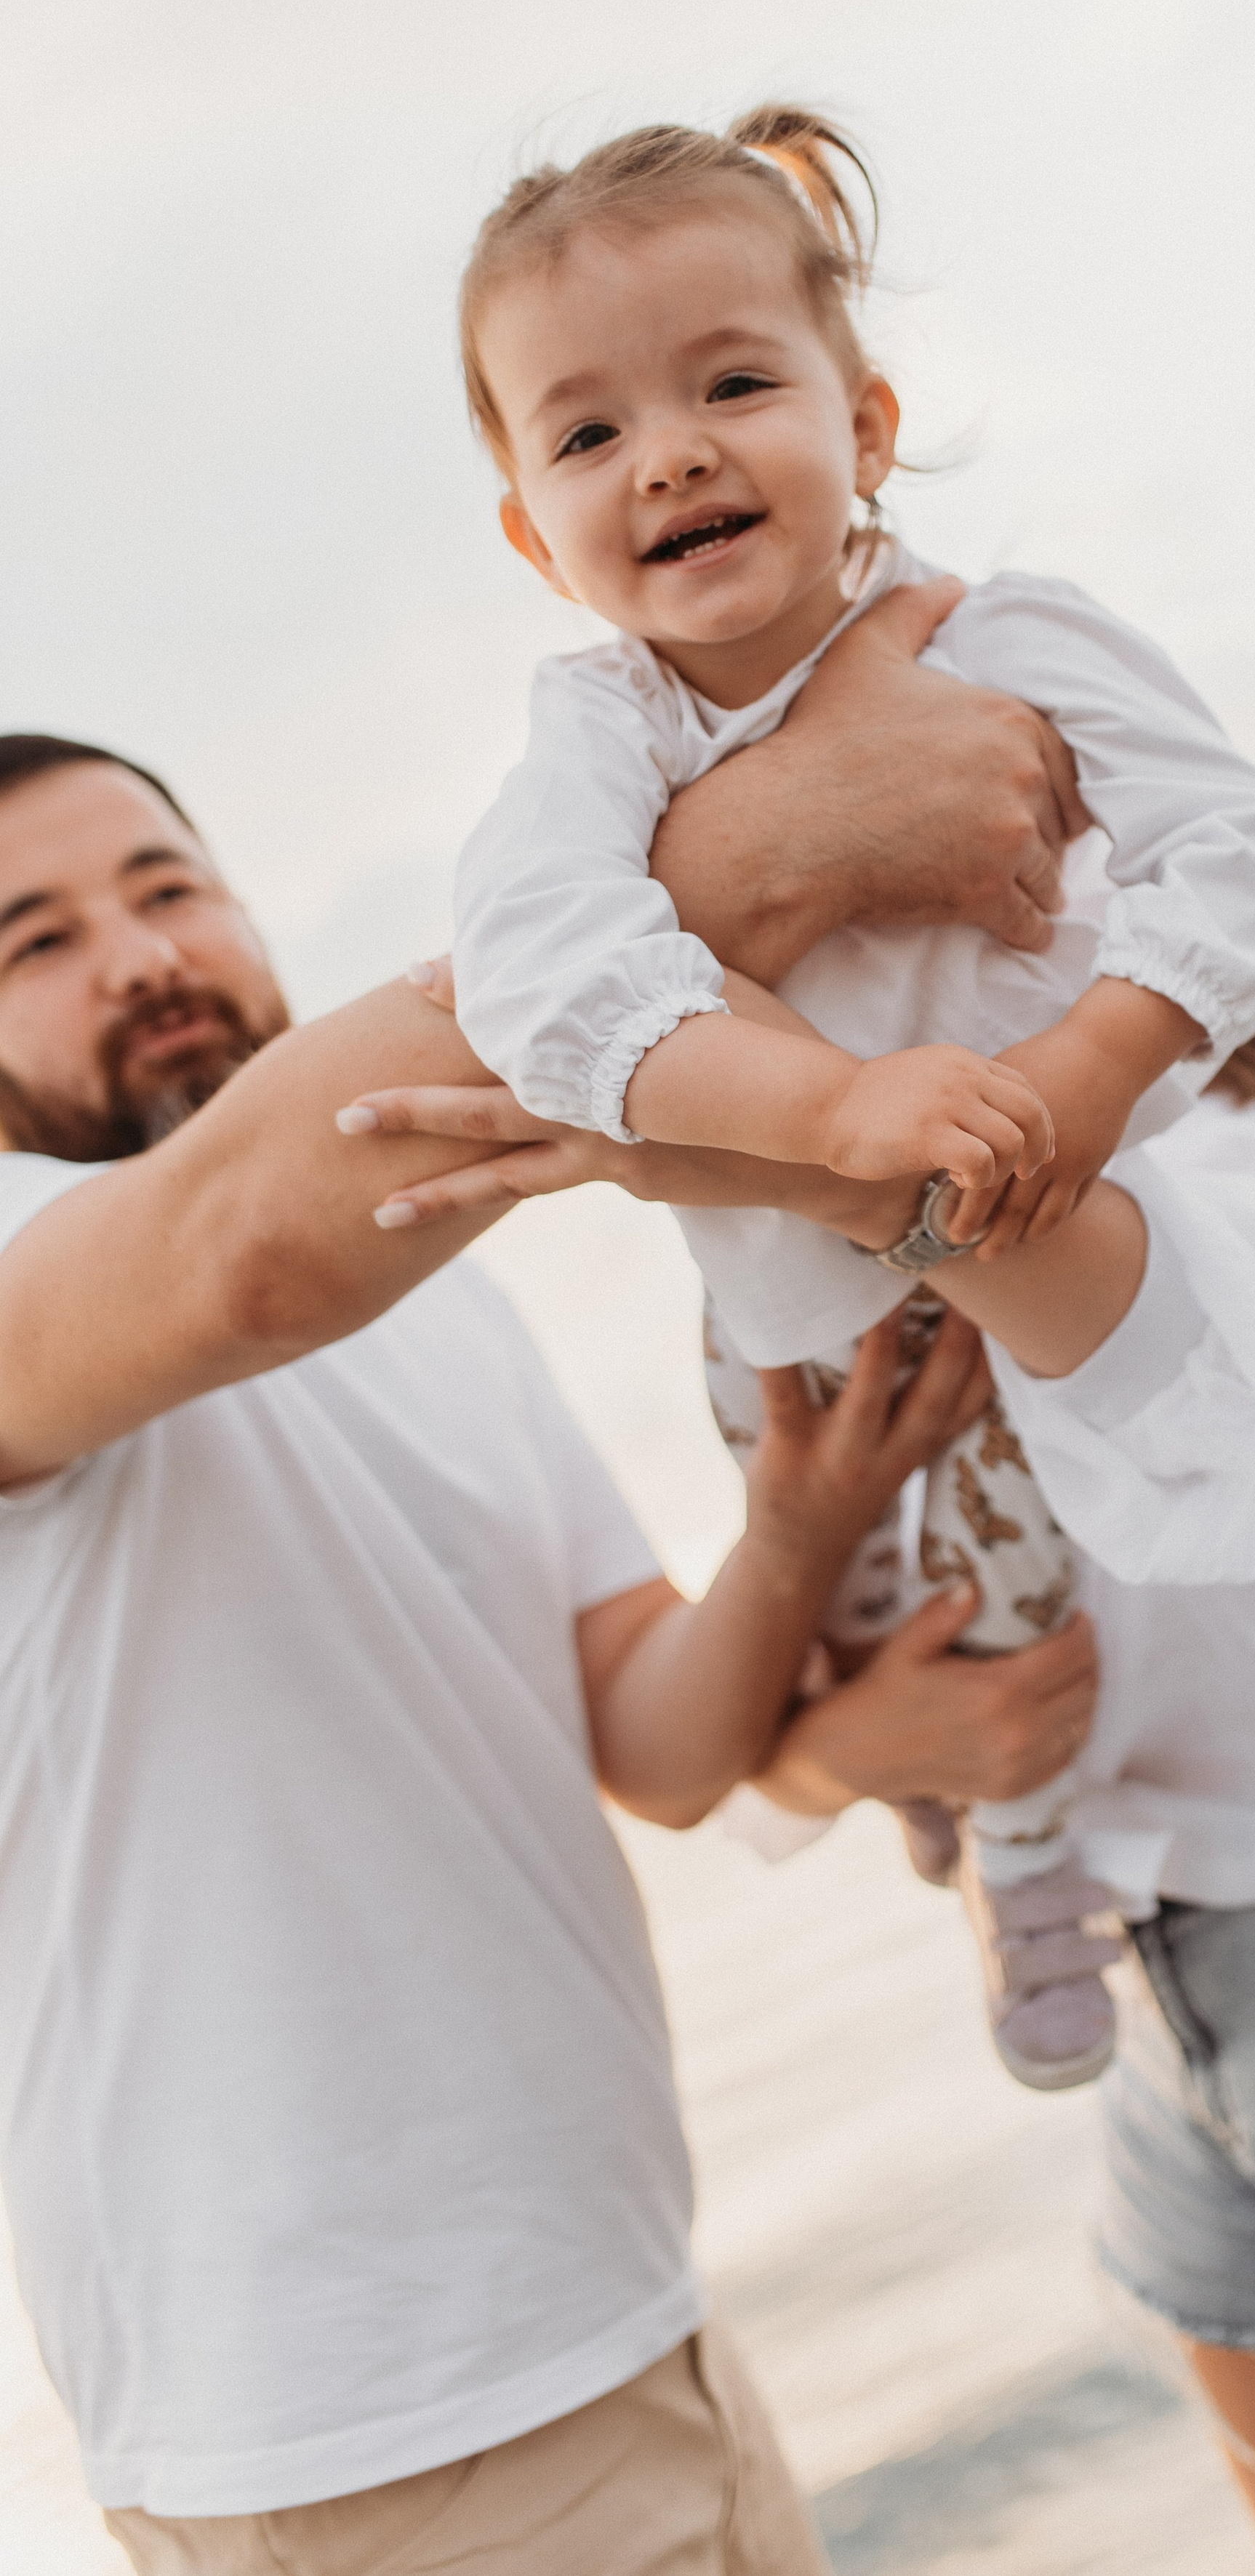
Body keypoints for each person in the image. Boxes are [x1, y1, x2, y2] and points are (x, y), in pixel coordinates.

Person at [361, 938, 1255, 2576]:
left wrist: (776, 1139)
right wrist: (857, 1730)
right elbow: (771, 1744)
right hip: (1165, 1980)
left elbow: (1154, 1333)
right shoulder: (820, 1273)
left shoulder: (1182, 1124)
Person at [0, 650, 1102, 2575]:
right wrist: (772, 845)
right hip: (361, 2434)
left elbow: (653, 1744)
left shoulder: (436, 1290)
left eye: (167, 885)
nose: (139, 955)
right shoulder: (52, 1274)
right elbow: (240, 1243)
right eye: (35, 937)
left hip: (633, 2322)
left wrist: (793, 1526)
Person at [443, 102, 1255, 2084]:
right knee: (837, 1607)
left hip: (1025, 1244)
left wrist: (1094, 1065)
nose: (665, 451)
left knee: (1022, 1599)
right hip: (781, 1311)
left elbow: (1243, 846)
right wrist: (833, 1114)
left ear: (868, 418)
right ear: (530, 529)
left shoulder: (1005, 638)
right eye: (584, 435)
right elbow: (540, 970)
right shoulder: (596, 737)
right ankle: (934, 1802)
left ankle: (1027, 1869)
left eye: (733, 382)